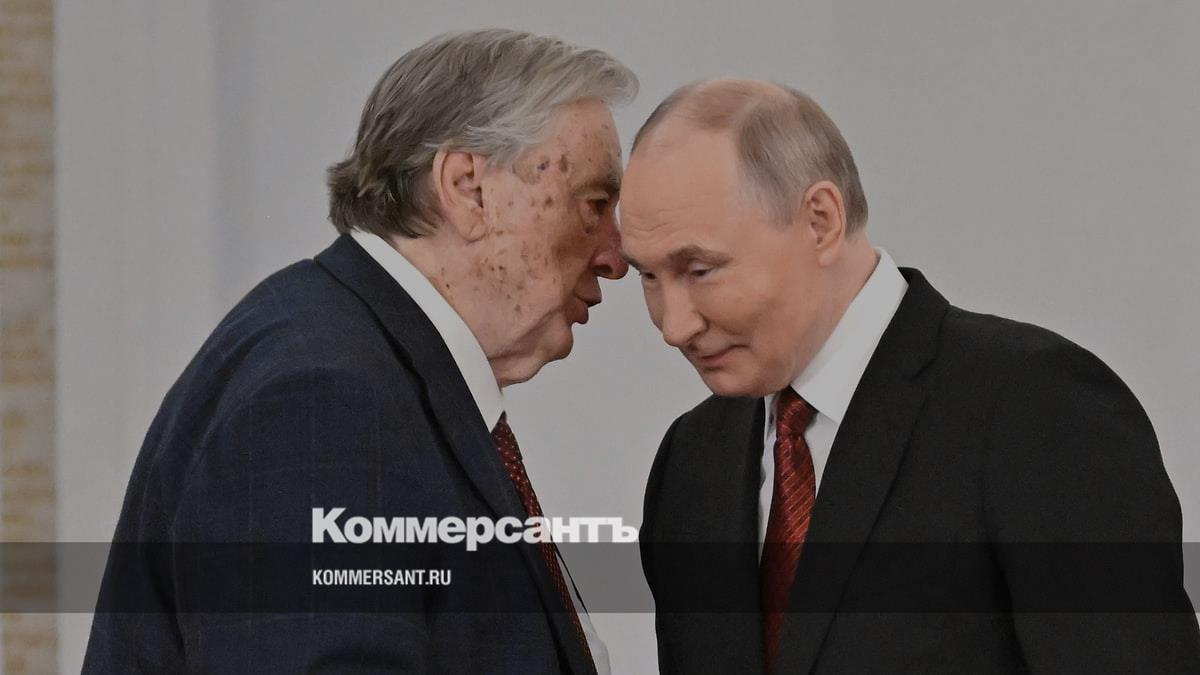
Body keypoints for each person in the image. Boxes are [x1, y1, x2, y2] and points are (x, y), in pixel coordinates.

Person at [84, 29, 635, 674]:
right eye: (593, 204)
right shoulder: (320, 403)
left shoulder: (356, 364)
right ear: (468, 188)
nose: (617, 255)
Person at [623, 79, 1200, 673]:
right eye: (648, 277)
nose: (673, 324)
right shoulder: (691, 461)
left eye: (700, 269)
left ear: (820, 221)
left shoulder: (1039, 409)